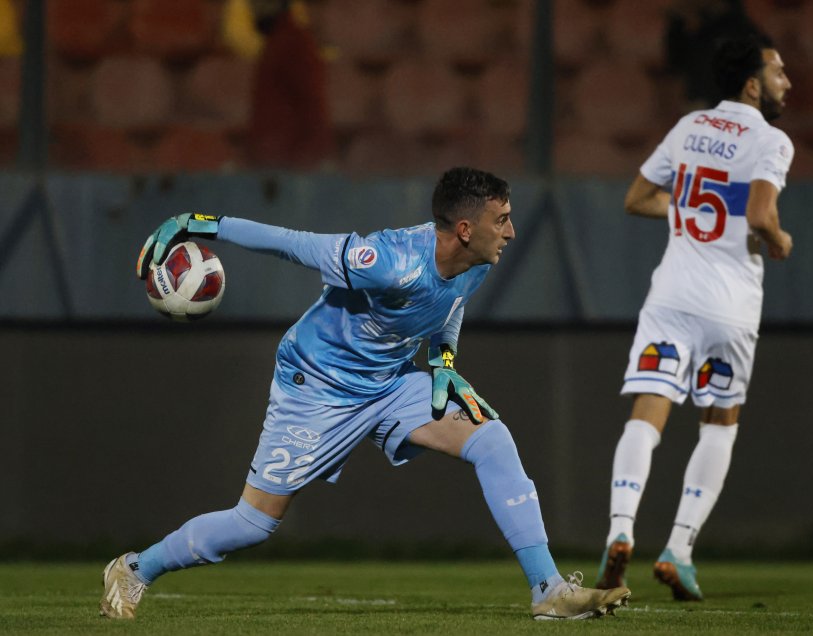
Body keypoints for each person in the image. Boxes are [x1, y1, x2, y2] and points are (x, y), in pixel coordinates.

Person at [101, 167, 630, 621]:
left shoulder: (475, 261)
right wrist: (197, 223)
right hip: (317, 390)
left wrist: (443, 363)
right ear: (465, 229)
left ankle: (548, 590)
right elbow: (292, 243)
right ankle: (133, 569)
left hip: (388, 384)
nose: (511, 232)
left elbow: (450, 308)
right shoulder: (389, 260)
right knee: (252, 523)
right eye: (503, 220)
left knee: (492, 440)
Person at [594, 36, 794, 600]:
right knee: (719, 422)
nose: (788, 81)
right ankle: (679, 550)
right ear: (752, 84)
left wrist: (687, 209)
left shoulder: (689, 129)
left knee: (647, 413)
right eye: (779, 71)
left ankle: (620, 530)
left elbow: (637, 198)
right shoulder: (771, 140)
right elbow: (759, 213)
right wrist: (778, 239)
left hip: (673, 298)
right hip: (730, 308)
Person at [246, 0, 333, 168]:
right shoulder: (280, 43)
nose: (253, 9)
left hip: (286, 170)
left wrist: (303, 166)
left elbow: (313, 107)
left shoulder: (293, 43)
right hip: (275, 168)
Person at [665, 0, 764, 109]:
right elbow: (676, 62)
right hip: (701, 101)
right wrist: (679, 24)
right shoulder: (693, 31)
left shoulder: (737, 28)